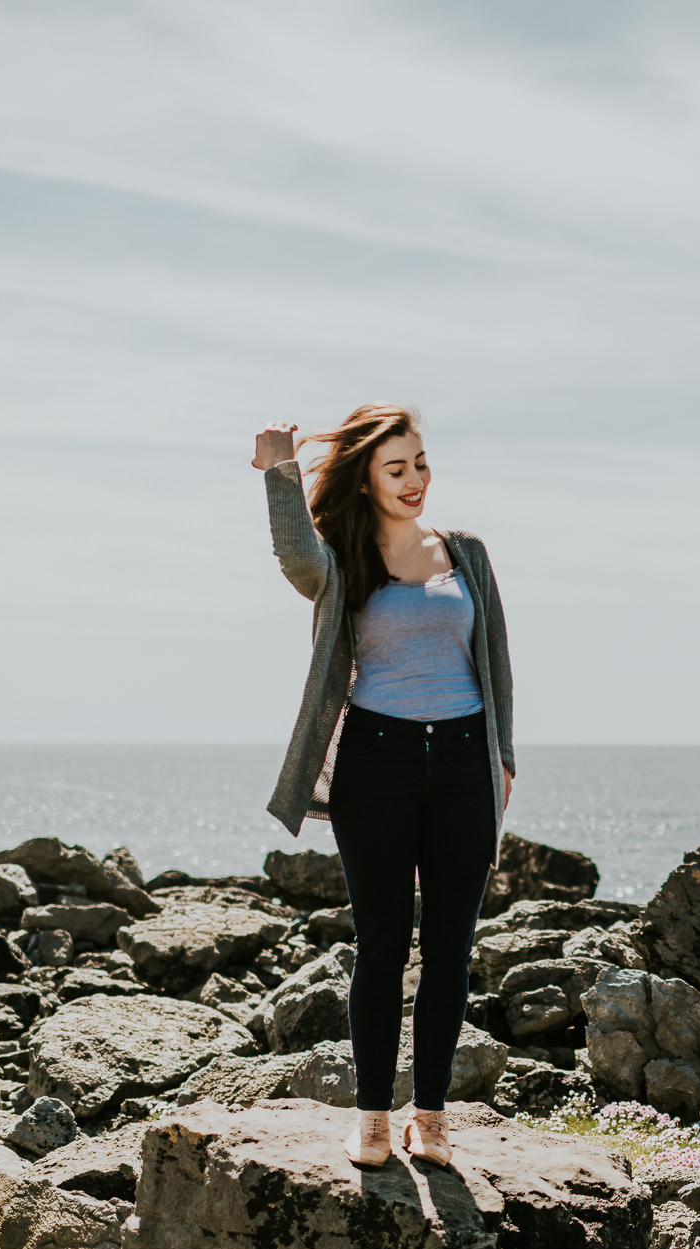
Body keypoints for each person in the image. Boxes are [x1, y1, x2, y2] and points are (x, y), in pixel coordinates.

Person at [251, 404, 515, 1169]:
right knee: (382, 943)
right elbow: (298, 559)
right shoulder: (347, 558)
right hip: (377, 761)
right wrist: (279, 473)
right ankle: (371, 1117)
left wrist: (504, 758)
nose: (414, 480)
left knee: (450, 950)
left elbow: (495, 661)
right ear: (366, 479)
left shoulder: (465, 554)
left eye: (421, 463)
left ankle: (429, 1116)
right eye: (396, 468)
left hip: (465, 760)